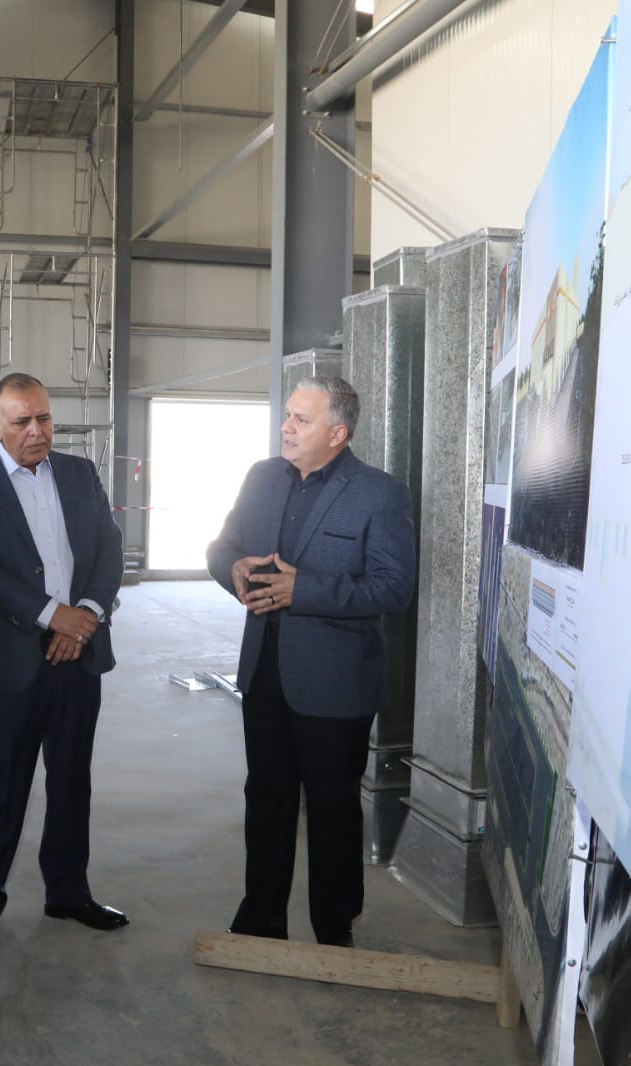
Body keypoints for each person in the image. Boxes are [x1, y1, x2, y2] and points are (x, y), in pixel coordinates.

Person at [206, 376, 416, 947]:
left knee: (331, 807)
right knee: (266, 797)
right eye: (288, 415)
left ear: (338, 433)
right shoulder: (262, 477)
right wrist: (232, 569)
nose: (287, 427)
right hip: (263, 671)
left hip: (335, 680)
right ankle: (261, 917)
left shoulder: (379, 494)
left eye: (302, 419)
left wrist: (305, 590)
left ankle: (334, 925)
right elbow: (222, 546)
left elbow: (394, 588)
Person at [0, 371, 126, 960]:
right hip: (4, 665)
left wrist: (86, 615)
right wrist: (52, 616)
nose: (36, 431)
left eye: (43, 418)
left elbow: (109, 548)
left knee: (71, 781)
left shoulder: (79, 473)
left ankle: (68, 892)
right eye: (21, 421)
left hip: (77, 656)